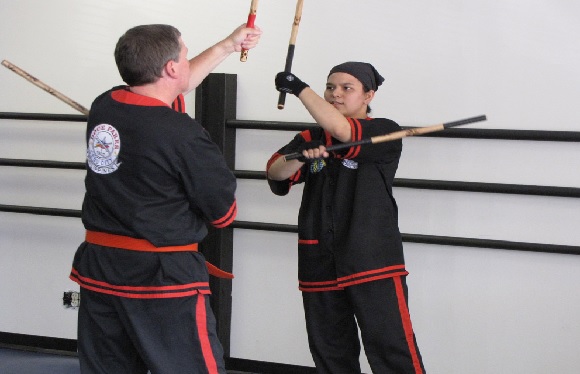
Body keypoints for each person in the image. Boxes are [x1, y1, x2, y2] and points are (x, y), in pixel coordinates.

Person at [69, 23, 261, 374]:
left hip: (100, 268)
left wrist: (227, 46)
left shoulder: (105, 105)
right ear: (171, 68)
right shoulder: (184, 135)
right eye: (185, 56)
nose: (187, 62)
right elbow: (222, 213)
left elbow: (176, 86)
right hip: (161, 278)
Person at [267, 62, 426, 374]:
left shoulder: (384, 131)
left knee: (392, 351)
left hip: (372, 261)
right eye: (330, 87)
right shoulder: (311, 135)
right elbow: (275, 173)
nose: (335, 94)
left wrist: (299, 88)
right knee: (331, 354)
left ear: (368, 94)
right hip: (319, 259)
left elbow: (343, 131)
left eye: (346, 88)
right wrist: (300, 156)